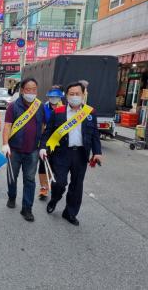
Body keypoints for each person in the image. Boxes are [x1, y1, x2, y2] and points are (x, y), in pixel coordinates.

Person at [40, 82, 102, 226]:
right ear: (66, 96)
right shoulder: (59, 112)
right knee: (59, 183)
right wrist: (43, 147)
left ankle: (70, 212)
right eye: (71, 94)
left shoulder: (90, 112)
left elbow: (94, 135)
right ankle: (54, 199)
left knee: (77, 185)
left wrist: (97, 152)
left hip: (80, 154)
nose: (75, 97)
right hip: (62, 153)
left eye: (77, 94)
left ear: (83, 95)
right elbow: (48, 132)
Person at [2, 78, 45, 222]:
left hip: (32, 150)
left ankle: (27, 208)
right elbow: (7, 126)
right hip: (14, 149)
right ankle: (12, 196)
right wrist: (5, 143)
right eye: (28, 89)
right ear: (22, 90)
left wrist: (42, 146)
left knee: (30, 179)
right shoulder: (13, 107)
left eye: (34, 90)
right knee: (12, 176)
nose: (31, 92)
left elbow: (44, 127)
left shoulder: (40, 107)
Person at [37, 86, 64, 200]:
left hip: (59, 141)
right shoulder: (43, 107)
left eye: (56, 96)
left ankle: (54, 186)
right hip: (45, 140)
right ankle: (44, 187)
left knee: (55, 165)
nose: (54, 99)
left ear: (60, 97)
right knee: (43, 164)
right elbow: (41, 124)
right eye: (52, 97)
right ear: (48, 97)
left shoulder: (64, 108)